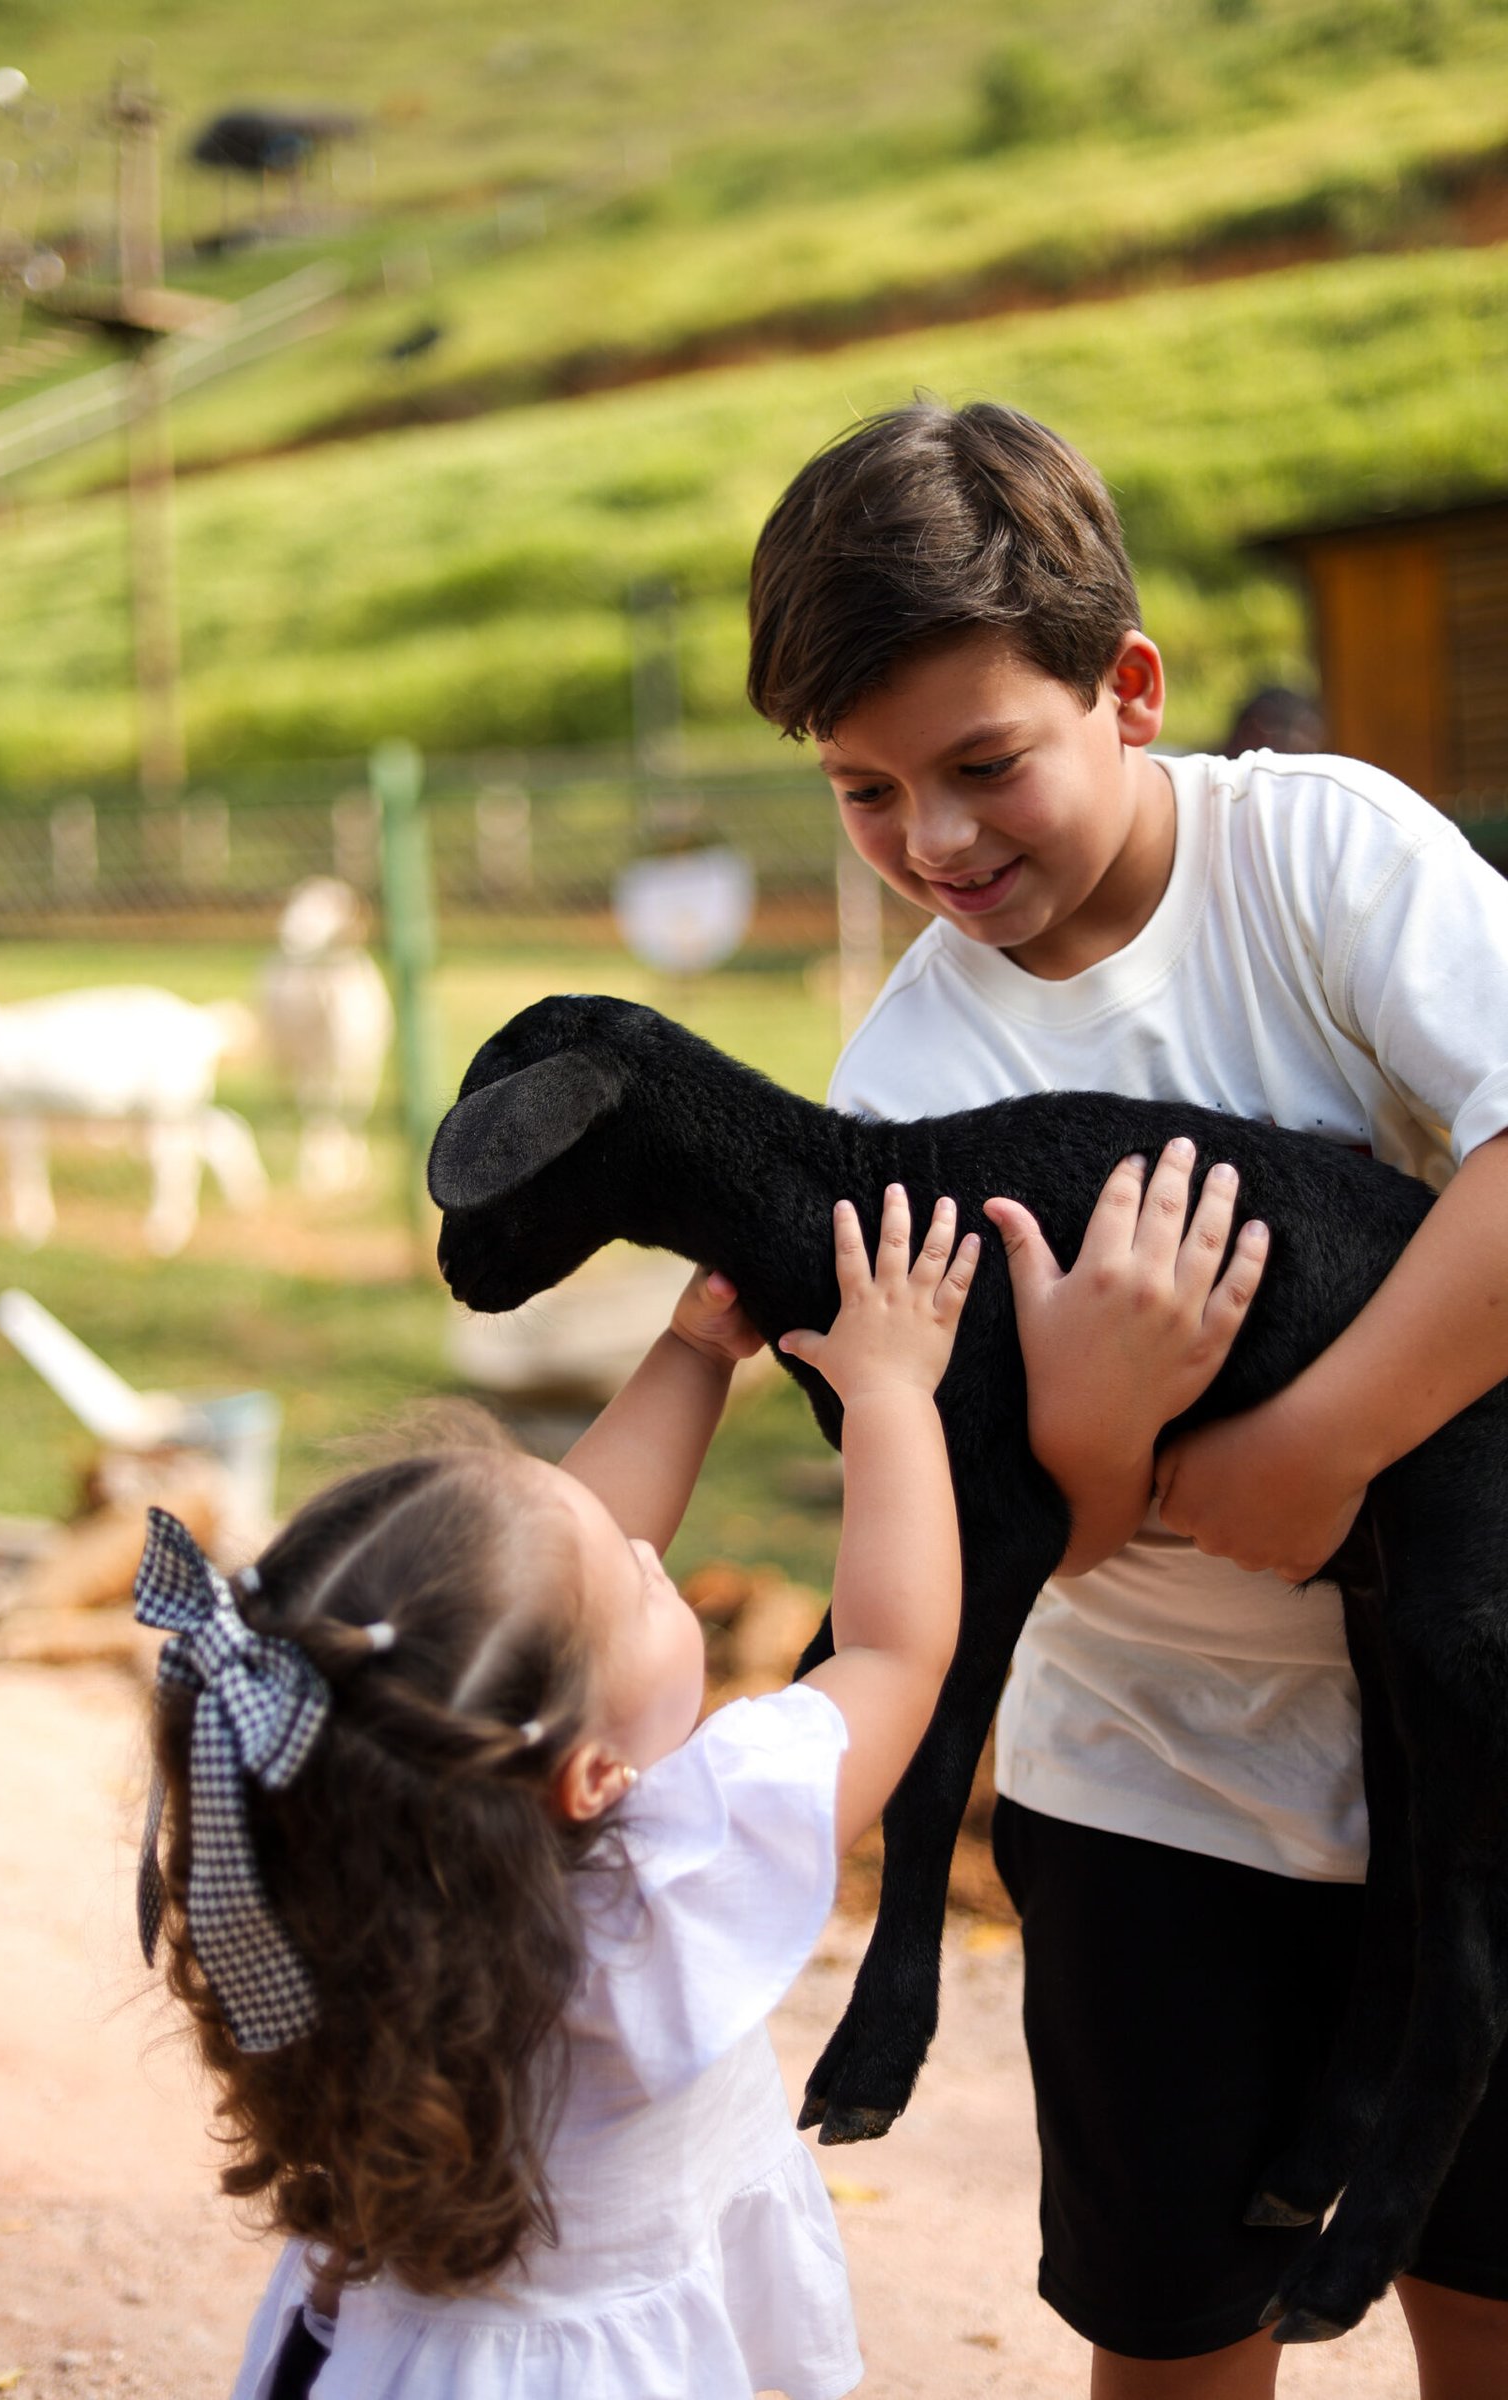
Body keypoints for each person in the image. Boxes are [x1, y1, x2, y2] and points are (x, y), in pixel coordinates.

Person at [746, 399, 1508, 2400]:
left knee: (1492, 2291)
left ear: (1129, 691)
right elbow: (962, 1542)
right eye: (863, 791)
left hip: (1475, 1752)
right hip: (1154, 1790)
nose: (933, 841)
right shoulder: (905, 1097)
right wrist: (1092, 1436)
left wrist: (1313, 1445)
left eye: (984, 763)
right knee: (1173, 2329)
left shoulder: (1317, 860)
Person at [137, 1187, 984, 2400]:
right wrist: (893, 1393)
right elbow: (894, 1652)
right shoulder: (669, 1892)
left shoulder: (324, 1856)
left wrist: (693, 1351)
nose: (649, 1551)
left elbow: (548, 1591)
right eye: (643, 1587)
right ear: (590, 1777)